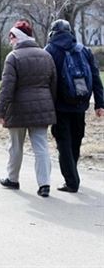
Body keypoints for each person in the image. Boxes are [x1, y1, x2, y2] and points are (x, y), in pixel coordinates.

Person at [0, 19, 57, 197]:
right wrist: (50, 105)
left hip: (18, 109)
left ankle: (12, 178)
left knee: (15, 146)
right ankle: (44, 183)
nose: (10, 41)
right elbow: (54, 83)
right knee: (41, 146)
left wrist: (1, 111)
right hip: (42, 107)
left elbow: (6, 88)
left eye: (11, 37)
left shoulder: (13, 57)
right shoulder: (46, 55)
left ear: (18, 37)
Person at [45, 19, 104, 193]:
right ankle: (73, 173)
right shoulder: (83, 50)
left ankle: (71, 181)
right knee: (75, 141)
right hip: (80, 104)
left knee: (63, 142)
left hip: (60, 106)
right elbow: (95, 77)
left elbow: (47, 80)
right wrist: (100, 103)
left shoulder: (49, 51)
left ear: (53, 32)